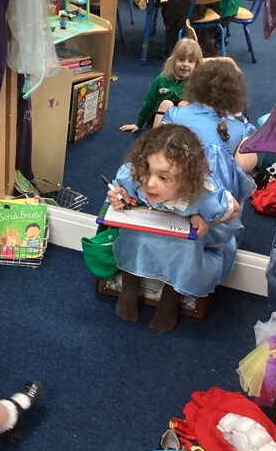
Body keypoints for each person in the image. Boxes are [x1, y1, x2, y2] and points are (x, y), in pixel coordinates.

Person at [107, 125, 251, 332]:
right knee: (133, 238)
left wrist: (207, 221)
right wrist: (120, 197)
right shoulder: (135, 176)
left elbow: (234, 210)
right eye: (145, 170)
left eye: (163, 177)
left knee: (186, 250)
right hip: (147, 226)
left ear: (186, 179)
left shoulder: (203, 192)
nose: (150, 183)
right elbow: (123, 192)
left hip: (182, 237)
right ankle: (129, 288)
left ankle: (170, 300)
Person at [162, 59, 258, 173]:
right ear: (236, 93)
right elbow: (241, 170)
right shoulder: (245, 130)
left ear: (195, 86)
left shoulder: (173, 113)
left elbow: (155, 152)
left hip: (171, 179)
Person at [120, 38, 203, 133]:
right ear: (173, 60)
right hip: (159, 120)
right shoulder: (162, 79)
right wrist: (139, 123)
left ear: (196, 65)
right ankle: (157, 136)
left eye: (190, 61)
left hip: (183, 125)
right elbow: (150, 102)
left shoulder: (195, 84)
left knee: (183, 104)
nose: (185, 64)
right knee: (166, 104)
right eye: (181, 59)